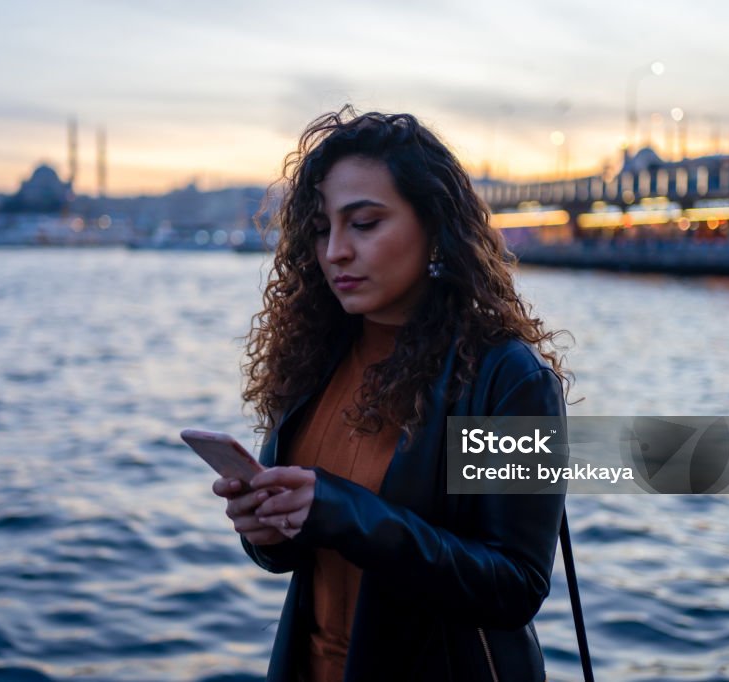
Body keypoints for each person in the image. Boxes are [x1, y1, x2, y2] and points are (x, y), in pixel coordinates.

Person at [212, 107, 571, 681]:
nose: (335, 252)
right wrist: (268, 532)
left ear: (434, 226)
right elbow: (301, 556)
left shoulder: (506, 377)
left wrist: (342, 511)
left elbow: (513, 584)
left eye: (365, 223)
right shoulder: (316, 357)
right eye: (323, 228)